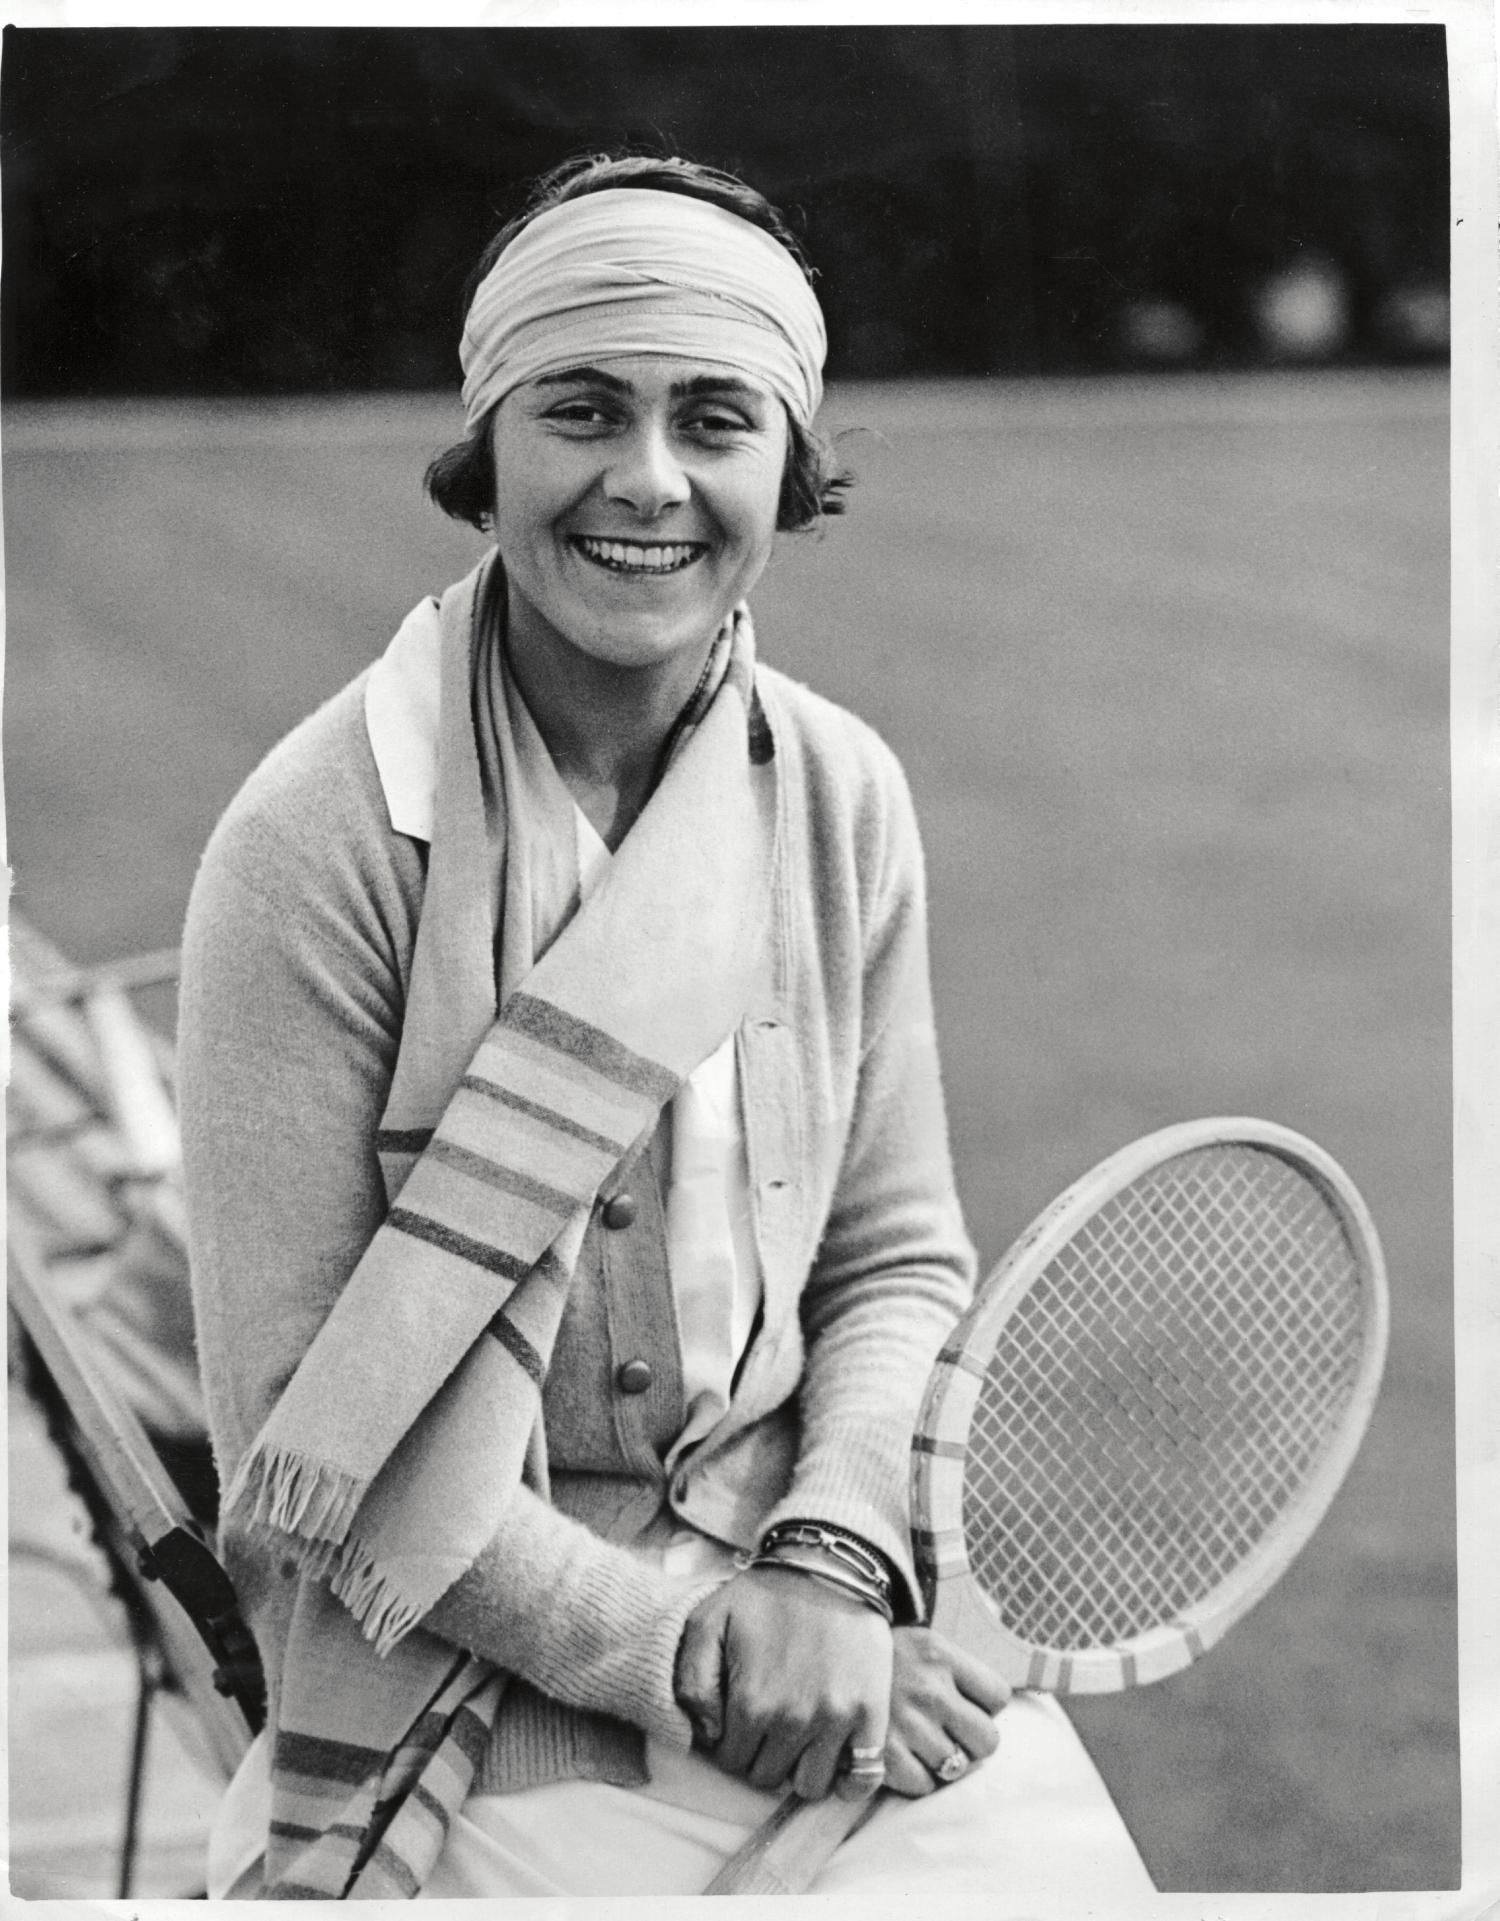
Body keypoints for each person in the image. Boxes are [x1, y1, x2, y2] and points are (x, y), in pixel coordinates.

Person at [179, 151, 1154, 1900]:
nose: (649, 481)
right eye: (583, 410)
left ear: (791, 463)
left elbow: (895, 1252)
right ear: (490, 452)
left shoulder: (839, 789)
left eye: (716, 418)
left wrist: (838, 1562)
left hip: (821, 1629)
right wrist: (696, 1647)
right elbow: (295, 1432)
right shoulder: (315, 840)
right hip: (458, 1685)